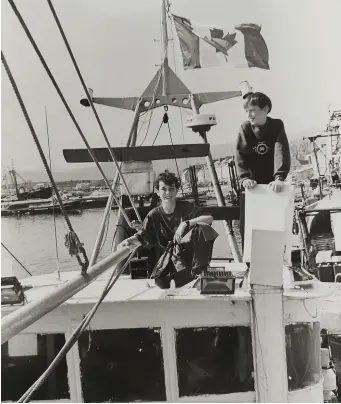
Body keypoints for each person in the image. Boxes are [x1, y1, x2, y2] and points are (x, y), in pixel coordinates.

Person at [117, 171, 217, 289]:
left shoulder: (186, 207)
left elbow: (209, 218)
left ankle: (200, 273)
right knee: (162, 285)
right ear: (158, 192)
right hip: (166, 260)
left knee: (203, 228)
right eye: (163, 189)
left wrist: (185, 224)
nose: (168, 193)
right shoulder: (153, 215)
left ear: (177, 190)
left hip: (187, 260)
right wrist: (128, 241)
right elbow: (144, 235)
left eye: (171, 189)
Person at [235, 92, 291, 248]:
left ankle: (275, 257)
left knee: (273, 223)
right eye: (247, 111)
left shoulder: (276, 126)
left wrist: (280, 177)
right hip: (251, 185)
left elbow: (281, 151)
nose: (249, 114)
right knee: (247, 224)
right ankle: (249, 261)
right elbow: (240, 154)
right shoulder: (245, 128)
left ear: (265, 109)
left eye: (252, 110)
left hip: (271, 183)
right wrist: (244, 178)